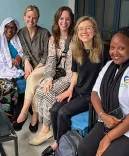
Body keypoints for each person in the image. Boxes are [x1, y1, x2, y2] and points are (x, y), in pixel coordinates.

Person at [41, 16, 110, 156]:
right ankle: (59, 141)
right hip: (78, 90)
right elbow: (75, 74)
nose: (84, 31)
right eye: (80, 29)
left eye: (88, 28)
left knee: (63, 112)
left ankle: (60, 146)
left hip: (91, 95)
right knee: (54, 109)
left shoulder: (104, 50)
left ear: (94, 30)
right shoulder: (77, 50)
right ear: (77, 32)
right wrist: (70, 90)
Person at [78, 27, 129, 156]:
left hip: (126, 128)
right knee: (84, 149)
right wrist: (102, 115)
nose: (115, 52)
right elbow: (94, 93)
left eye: (121, 48)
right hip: (108, 120)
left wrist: (108, 138)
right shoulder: (109, 66)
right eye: (112, 47)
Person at [28, 6, 74, 145]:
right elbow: (51, 61)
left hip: (70, 75)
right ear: (57, 19)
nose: (64, 22)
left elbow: (74, 67)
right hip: (57, 74)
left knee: (48, 93)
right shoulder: (53, 38)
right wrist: (48, 78)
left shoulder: (76, 39)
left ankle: (46, 128)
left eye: (67, 19)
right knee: (41, 89)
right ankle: (46, 127)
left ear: (71, 21)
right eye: (61, 18)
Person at [13, 5, 50, 132]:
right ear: (24, 17)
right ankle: (35, 116)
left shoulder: (44, 33)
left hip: (43, 66)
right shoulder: (20, 33)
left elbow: (47, 54)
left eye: (34, 18)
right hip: (29, 67)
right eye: (28, 17)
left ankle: (24, 112)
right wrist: (27, 62)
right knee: (34, 81)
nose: (31, 20)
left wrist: (38, 66)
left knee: (32, 77)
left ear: (38, 19)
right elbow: (22, 51)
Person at [0, 17, 24, 121]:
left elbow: (24, 52)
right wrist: (8, 63)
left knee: (10, 85)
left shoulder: (17, 41)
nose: (10, 30)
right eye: (7, 27)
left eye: (13, 28)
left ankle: (7, 118)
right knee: (8, 86)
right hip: (2, 70)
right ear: (3, 28)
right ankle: (5, 117)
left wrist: (19, 57)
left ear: (16, 29)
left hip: (15, 70)